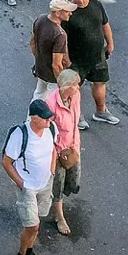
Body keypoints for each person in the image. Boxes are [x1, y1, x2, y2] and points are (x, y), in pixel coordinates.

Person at [2, 100, 58, 255]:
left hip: (45, 183)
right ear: (34, 118)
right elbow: (6, 162)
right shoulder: (20, 134)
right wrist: (21, 183)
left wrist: (52, 170)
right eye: (45, 119)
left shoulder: (51, 129)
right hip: (28, 188)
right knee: (32, 226)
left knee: (37, 223)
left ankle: (29, 252)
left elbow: (54, 150)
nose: (49, 121)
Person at [64, 0, 118, 126]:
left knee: (100, 82)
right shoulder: (67, 12)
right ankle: (77, 116)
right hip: (76, 59)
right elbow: (62, 39)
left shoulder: (96, 4)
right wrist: (67, 61)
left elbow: (105, 24)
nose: (81, 0)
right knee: (74, 88)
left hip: (97, 56)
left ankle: (101, 111)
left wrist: (110, 43)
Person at [47, 69, 83, 235]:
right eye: (75, 85)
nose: (78, 88)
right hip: (58, 151)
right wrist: (57, 153)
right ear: (65, 87)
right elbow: (48, 132)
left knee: (74, 182)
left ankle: (54, 201)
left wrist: (74, 146)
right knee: (58, 184)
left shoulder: (75, 97)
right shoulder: (50, 103)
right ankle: (59, 216)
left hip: (73, 147)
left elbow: (75, 121)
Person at [31, 0, 72, 99]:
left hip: (40, 70)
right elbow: (56, 65)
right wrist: (62, 83)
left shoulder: (40, 19)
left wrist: (39, 60)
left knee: (38, 97)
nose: (70, 13)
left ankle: (32, 115)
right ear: (57, 13)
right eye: (66, 11)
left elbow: (32, 42)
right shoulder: (60, 34)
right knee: (55, 103)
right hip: (52, 77)